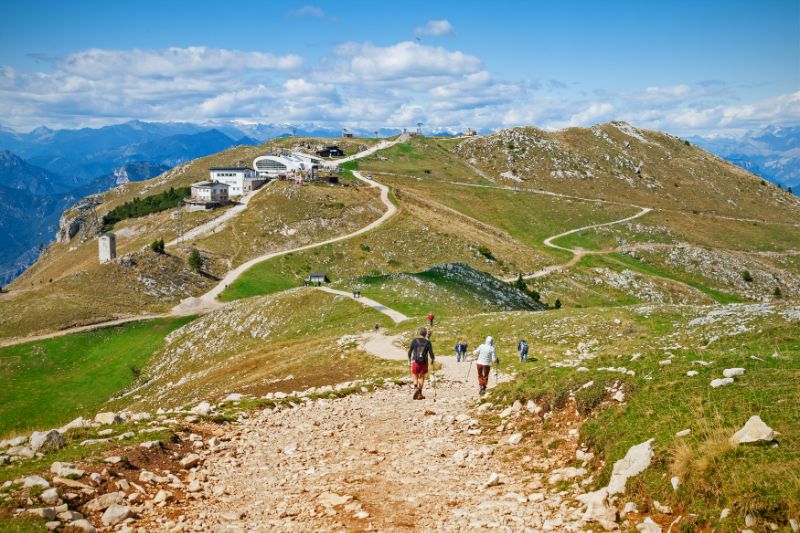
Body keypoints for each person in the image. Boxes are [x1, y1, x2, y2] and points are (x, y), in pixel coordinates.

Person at [408, 327, 435, 400]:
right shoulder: (428, 342)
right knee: (422, 376)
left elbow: (410, 351)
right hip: (424, 362)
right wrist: (433, 359)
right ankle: (419, 393)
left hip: (415, 361)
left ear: (419, 333)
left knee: (414, 374)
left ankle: (416, 387)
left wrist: (409, 359)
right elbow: (431, 353)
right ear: (426, 334)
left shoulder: (414, 340)